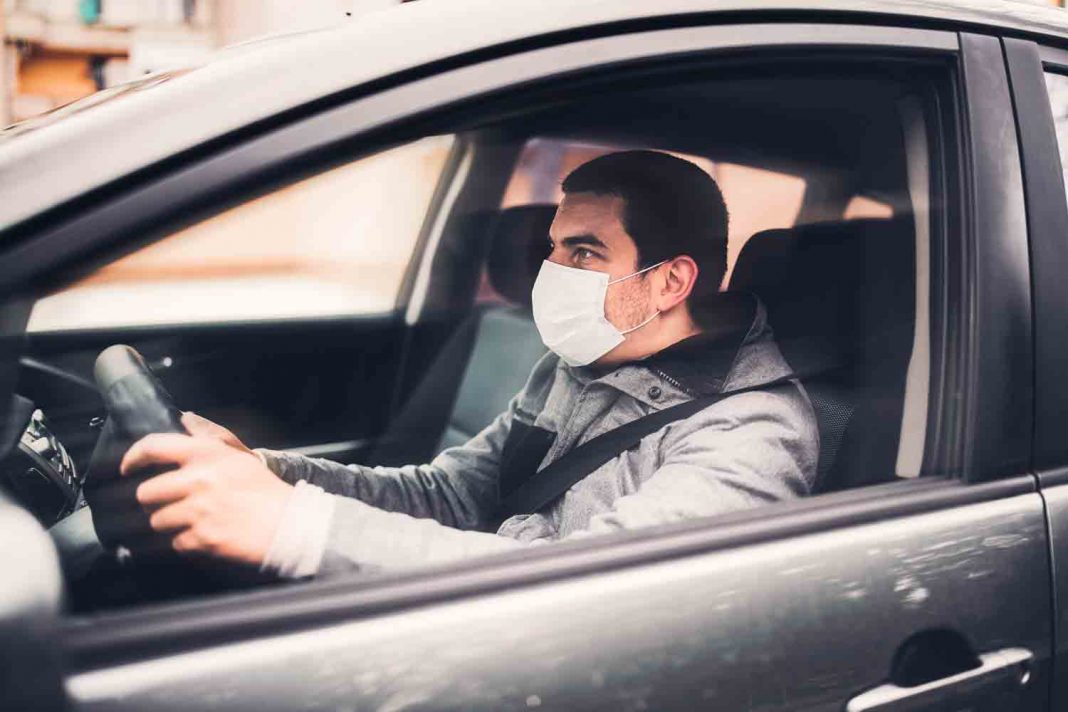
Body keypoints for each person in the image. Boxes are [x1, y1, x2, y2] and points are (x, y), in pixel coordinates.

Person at [120, 150, 819, 577]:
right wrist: (268, 474)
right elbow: (454, 496)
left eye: (583, 252)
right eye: (553, 248)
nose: (550, 271)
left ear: (670, 282)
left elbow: (590, 591)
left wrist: (296, 528)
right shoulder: (578, 363)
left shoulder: (752, 432)